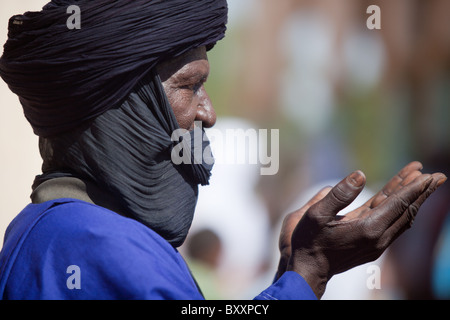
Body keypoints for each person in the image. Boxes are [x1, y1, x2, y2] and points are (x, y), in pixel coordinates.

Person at [0, 0, 446, 300]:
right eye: (190, 86)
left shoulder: (41, 230)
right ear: (127, 105)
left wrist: (292, 268)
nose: (209, 112)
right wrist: (313, 271)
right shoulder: (106, 248)